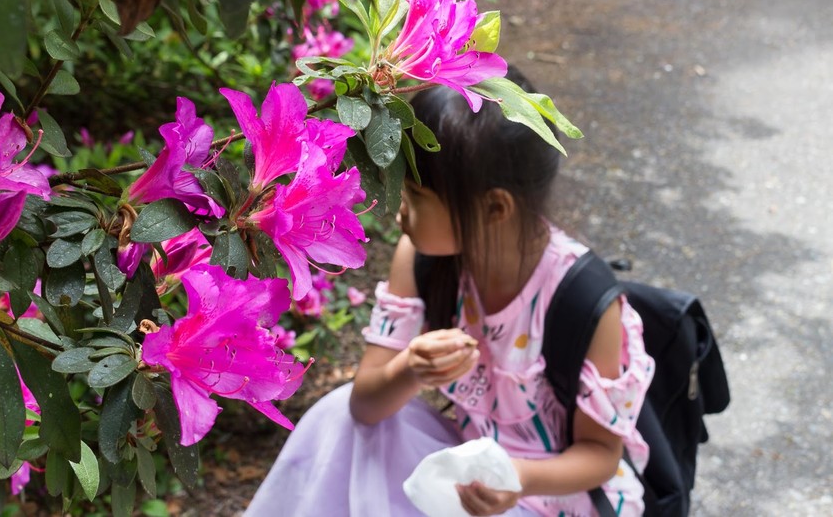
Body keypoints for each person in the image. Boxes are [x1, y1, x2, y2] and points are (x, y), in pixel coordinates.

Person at [245, 71, 654, 517]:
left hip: (550, 494)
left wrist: (513, 478)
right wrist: (411, 368)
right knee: (337, 415)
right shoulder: (422, 257)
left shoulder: (584, 301)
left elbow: (600, 455)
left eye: (417, 196)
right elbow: (365, 407)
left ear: (495, 208)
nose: (400, 208)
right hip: (467, 458)